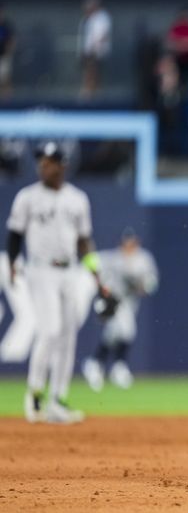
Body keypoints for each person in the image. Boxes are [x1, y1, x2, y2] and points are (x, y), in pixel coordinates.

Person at [5, 141, 110, 423]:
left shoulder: (77, 199)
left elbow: (84, 241)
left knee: (68, 336)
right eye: (41, 161)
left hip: (69, 270)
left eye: (50, 161)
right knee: (50, 331)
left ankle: (57, 401)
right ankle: (35, 395)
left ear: (62, 165)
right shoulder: (27, 197)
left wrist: (97, 276)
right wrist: (13, 263)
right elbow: (15, 234)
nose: (44, 165)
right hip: (41, 270)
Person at [81, 228, 158, 391]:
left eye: (132, 243)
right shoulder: (113, 258)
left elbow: (152, 284)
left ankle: (95, 363)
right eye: (126, 243)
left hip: (131, 302)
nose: (129, 247)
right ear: (122, 244)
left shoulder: (143, 259)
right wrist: (101, 286)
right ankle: (118, 367)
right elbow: (89, 260)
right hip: (114, 300)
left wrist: (144, 285)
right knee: (127, 330)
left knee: (113, 334)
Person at [77, 0, 112, 99]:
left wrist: (95, 47)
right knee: (88, 71)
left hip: (97, 52)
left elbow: (103, 35)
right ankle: (88, 91)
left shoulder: (103, 17)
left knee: (93, 72)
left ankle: (93, 92)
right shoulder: (88, 18)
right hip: (89, 52)